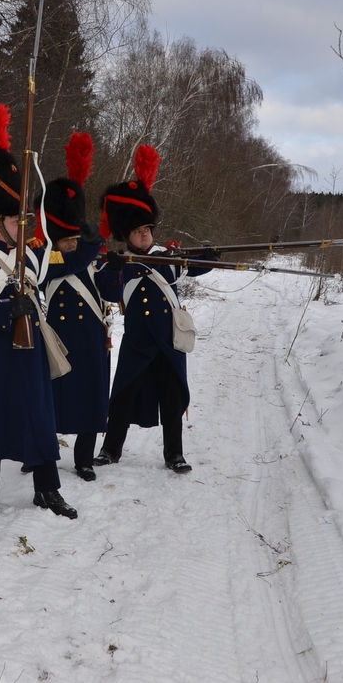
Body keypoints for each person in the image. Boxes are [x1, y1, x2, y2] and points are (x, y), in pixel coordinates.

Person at [0, 104, 103, 517]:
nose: (25, 225)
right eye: (18, 220)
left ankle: (47, 490)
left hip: (31, 353)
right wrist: (3, 313)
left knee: (39, 417)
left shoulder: (33, 256)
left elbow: (72, 260)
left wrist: (92, 240)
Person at [94, 144, 215, 474]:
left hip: (168, 341)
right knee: (122, 397)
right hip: (137, 341)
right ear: (127, 235)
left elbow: (195, 266)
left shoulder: (167, 256)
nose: (144, 235)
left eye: (147, 229)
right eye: (138, 231)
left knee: (172, 400)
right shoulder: (119, 262)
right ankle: (110, 450)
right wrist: (115, 268)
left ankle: (174, 455)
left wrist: (210, 256)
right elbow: (108, 290)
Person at [40, 132, 123, 482]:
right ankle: (41, 453)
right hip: (57, 338)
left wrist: (115, 268)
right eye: (68, 239)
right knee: (47, 400)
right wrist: (92, 245)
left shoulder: (90, 260)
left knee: (91, 401)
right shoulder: (47, 261)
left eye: (77, 239)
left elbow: (109, 291)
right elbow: (66, 266)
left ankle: (84, 460)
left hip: (90, 339)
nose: (74, 244)